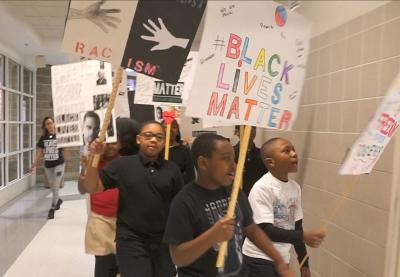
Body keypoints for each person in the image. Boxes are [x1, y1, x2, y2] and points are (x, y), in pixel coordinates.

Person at [163, 133, 294, 277]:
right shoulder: (184, 202)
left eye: (233, 158)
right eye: (226, 159)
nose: (234, 165)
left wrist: (279, 262)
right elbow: (178, 257)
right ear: (203, 163)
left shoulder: (233, 190)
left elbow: (252, 230)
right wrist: (212, 236)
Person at [82, 121, 184, 277]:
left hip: (163, 241)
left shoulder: (172, 170)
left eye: (159, 137)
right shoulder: (122, 165)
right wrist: (94, 157)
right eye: (148, 135)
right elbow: (91, 187)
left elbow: (178, 207)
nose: (153, 140)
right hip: (131, 239)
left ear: (164, 141)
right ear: (138, 139)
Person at [242, 138, 326, 277]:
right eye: (286, 151)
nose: (294, 154)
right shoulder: (262, 188)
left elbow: (297, 226)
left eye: (293, 150)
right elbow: (264, 231)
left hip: (282, 258)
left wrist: (303, 263)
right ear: (271, 162)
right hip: (258, 258)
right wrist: (303, 236)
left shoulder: (295, 188)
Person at [78, 118, 139, 277]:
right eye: (107, 142)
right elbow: (82, 189)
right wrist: (85, 168)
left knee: (123, 263)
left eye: (115, 142)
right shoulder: (93, 162)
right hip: (100, 220)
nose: (111, 146)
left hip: (124, 221)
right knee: (103, 264)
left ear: (121, 144)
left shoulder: (127, 162)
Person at [30, 116, 71, 219]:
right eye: (47, 123)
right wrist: (34, 162)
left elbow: (65, 149)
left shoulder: (59, 136)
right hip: (48, 166)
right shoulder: (43, 138)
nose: (50, 125)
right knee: (53, 187)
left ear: (54, 124)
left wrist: (69, 160)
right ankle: (58, 200)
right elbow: (40, 152)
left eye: (51, 122)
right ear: (45, 126)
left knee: (56, 186)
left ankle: (52, 209)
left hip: (59, 164)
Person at [233, 126, 267, 197]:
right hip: (235, 198)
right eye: (245, 127)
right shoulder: (230, 153)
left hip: (257, 196)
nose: (251, 130)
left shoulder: (263, 154)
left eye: (254, 128)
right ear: (237, 132)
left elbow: (267, 178)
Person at [162, 119, 195, 183]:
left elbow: (191, 177)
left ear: (177, 131)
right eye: (166, 126)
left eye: (174, 127)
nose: (170, 129)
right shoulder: (156, 150)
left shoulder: (185, 150)